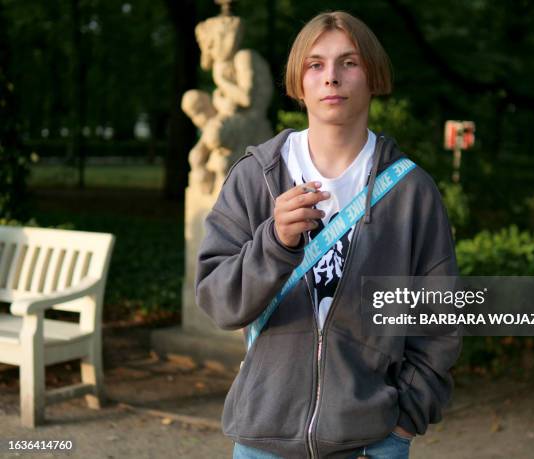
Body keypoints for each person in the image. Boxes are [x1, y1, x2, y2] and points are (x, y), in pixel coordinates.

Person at [195, 10, 462, 459]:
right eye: (315, 65)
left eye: (349, 63)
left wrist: (403, 421)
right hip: (264, 438)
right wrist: (275, 243)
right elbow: (219, 303)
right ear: (298, 83)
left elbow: (440, 320)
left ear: (373, 76)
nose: (331, 78)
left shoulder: (411, 191)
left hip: (371, 442)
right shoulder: (256, 178)